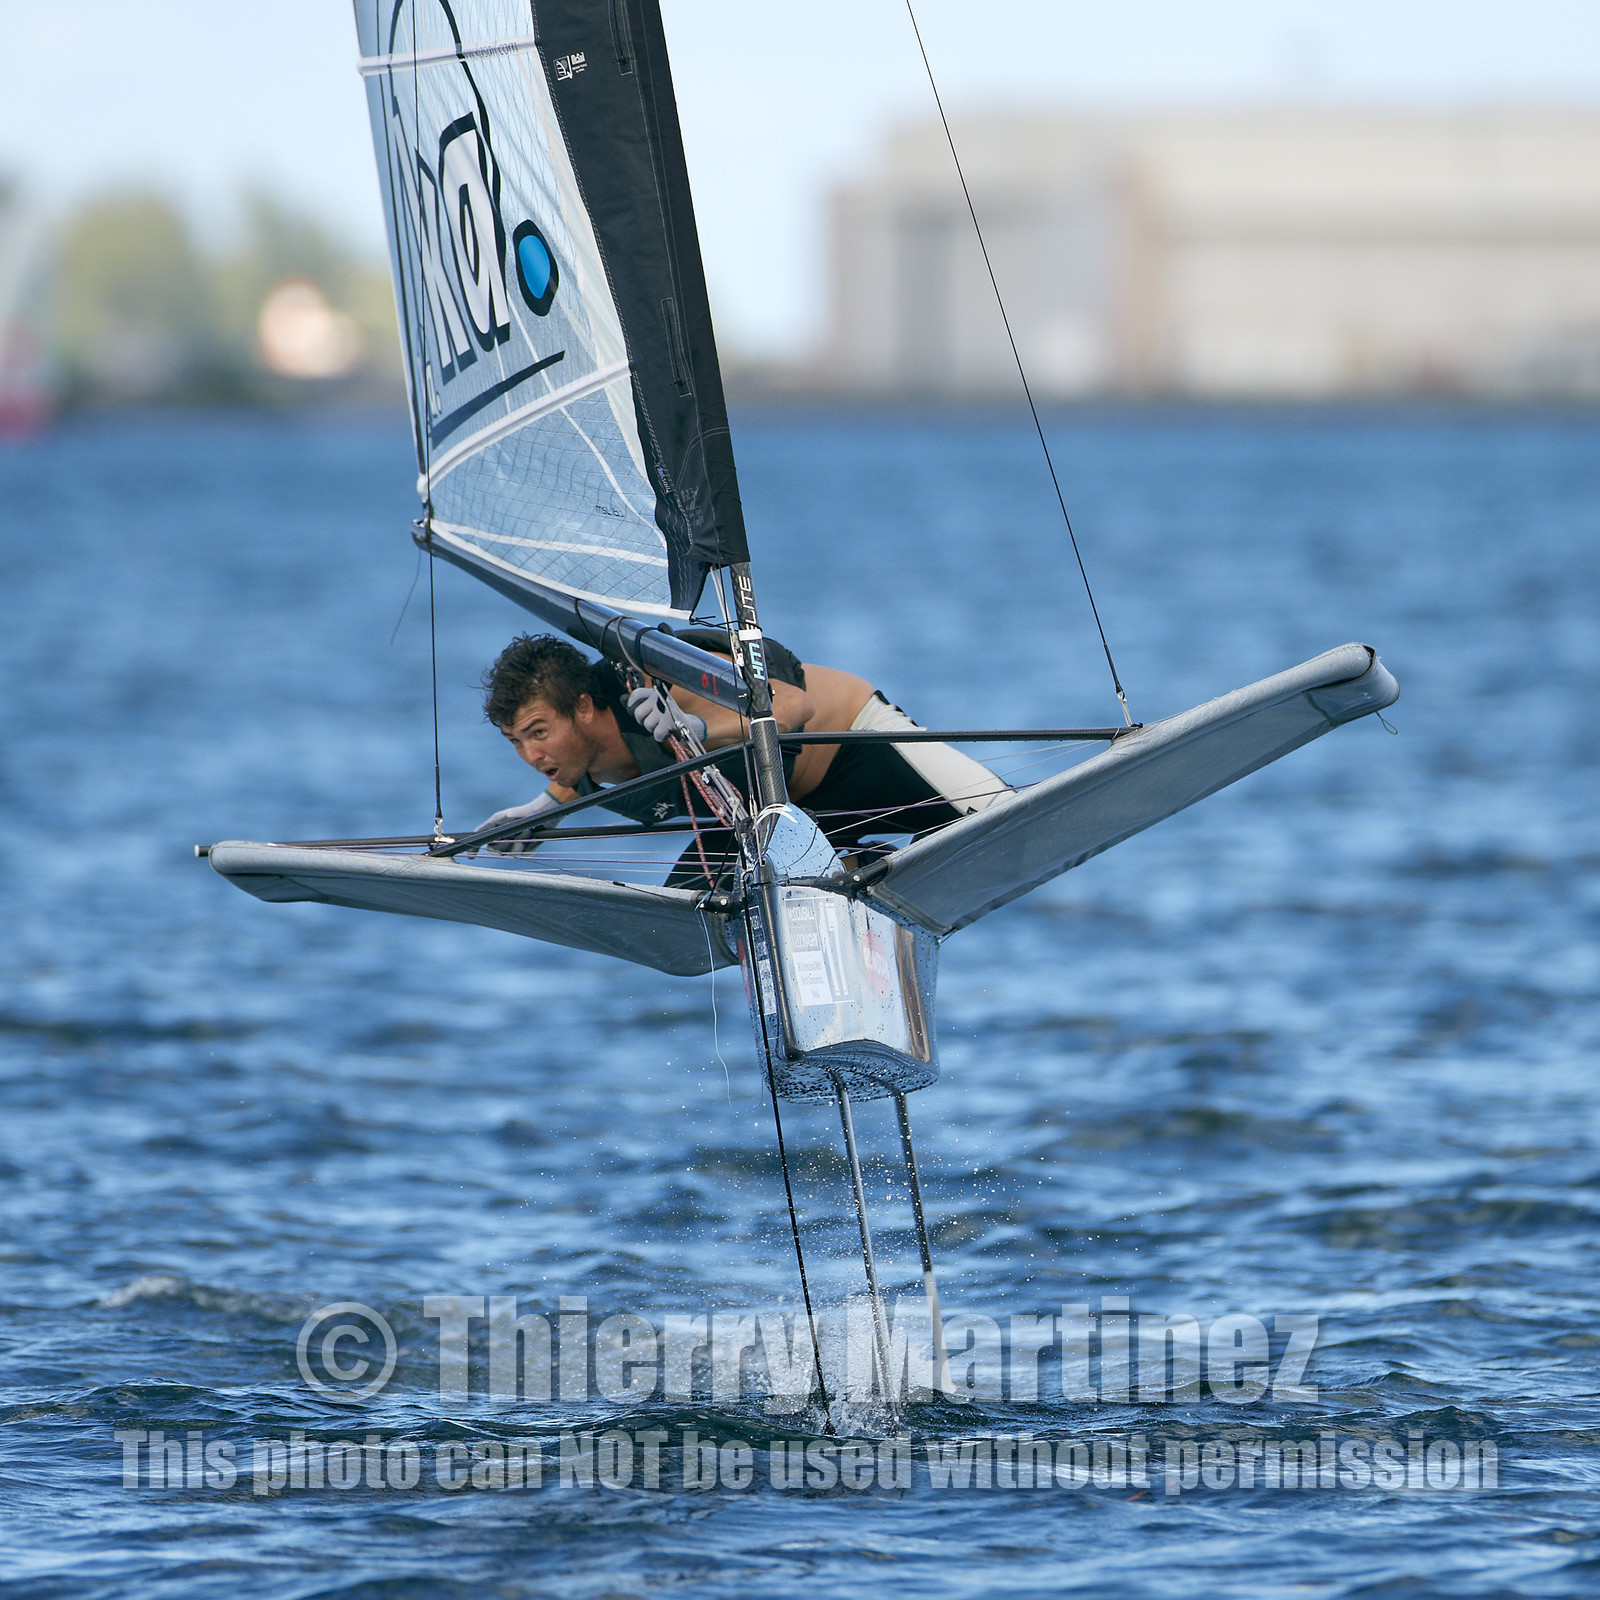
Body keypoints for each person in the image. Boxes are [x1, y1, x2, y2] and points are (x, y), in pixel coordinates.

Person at [474, 631, 1010, 876]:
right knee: (694, 913)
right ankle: (860, 868)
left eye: (538, 732)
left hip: (860, 748)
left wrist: (699, 727)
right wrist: (545, 809)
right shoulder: (577, 759)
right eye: (515, 741)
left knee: (1004, 823)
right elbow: (577, 771)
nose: (530, 754)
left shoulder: (660, 678)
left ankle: (867, 865)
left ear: (585, 708)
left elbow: (792, 707)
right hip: (779, 816)